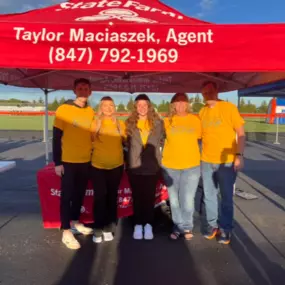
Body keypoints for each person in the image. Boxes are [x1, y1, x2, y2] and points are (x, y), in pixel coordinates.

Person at [199, 81, 245, 244]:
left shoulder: (229, 108)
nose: (208, 95)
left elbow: (240, 133)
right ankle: (212, 226)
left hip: (226, 162)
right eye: (205, 93)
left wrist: (239, 154)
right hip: (206, 161)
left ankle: (226, 228)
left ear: (216, 91)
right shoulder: (202, 112)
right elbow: (198, 135)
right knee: (209, 197)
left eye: (210, 91)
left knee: (226, 197)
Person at [52, 78, 94, 250]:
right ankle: (66, 230)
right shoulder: (64, 109)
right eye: (80, 88)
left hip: (85, 161)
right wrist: (58, 162)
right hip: (68, 161)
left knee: (79, 195)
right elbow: (56, 137)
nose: (83, 91)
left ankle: (75, 222)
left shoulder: (91, 111)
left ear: (90, 91)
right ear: (74, 90)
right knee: (67, 196)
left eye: (86, 88)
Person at [162, 93, 201, 241]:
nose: (180, 105)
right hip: (170, 166)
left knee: (188, 199)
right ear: (173, 105)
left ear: (188, 104)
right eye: (177, 103)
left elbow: (202, 137)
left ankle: (187, 226)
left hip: (191, 165)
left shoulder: (195, 120)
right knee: (174, 200)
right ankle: (177, 226)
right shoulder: (167, 121)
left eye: (183, 102)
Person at [125, 94, 164, 240]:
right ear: (135, 107)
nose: (142, 108)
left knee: (148, 198)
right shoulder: (129, 123)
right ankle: (137, 224)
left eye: (144, 105)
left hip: (151, 166)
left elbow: (164, 141)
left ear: (149, 106)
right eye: (139, 105)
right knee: (137, 197)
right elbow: (124, 142)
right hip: (135, 167)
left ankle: (148, 225)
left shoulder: (158, 123)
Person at [90, 96, 125, 243]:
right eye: (105, 105)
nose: (109, 108)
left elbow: (125, 142)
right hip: (98, 166)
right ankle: (98, 228)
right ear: (101, 108)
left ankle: (108, 227)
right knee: (100, 197)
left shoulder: (120, 124)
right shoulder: (95, 123)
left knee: (112, 197)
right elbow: (89, 142)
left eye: (111, 105)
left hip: (116, 166)